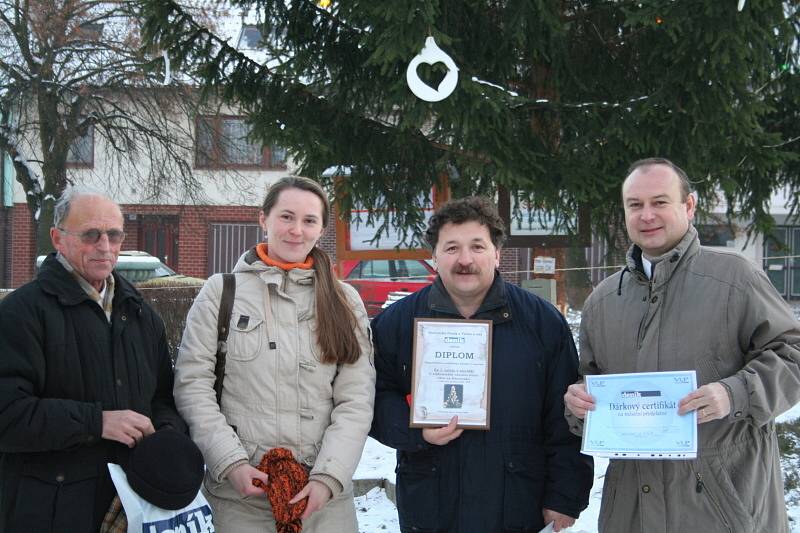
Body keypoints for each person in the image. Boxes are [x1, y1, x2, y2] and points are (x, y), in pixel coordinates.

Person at [564, 158, 800, 533]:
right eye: (635, 205)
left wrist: (733, 393)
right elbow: (591, 384)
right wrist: (579, 405)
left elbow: (792, 355)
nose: (647, 215)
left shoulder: (735, 280)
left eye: (660, 202)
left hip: (721, 507)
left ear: (688, 206)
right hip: (633, 511)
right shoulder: (603, 300)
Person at [370, 196, 594, 533]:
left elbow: (565, 419)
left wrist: (564, 497)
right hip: (431, 505)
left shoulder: (541, 323)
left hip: (517, 506)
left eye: (477, 246)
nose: (464, 260)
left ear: (497, 253)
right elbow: (371, 398)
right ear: (434, 256)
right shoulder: (396, 324)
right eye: (451, 248)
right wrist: (416, 430)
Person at [175, 176, 375, 533]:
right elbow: (193, 387)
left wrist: (329, 476)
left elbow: (356, 400)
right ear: (263, 219)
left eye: (309, 220)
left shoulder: (345, 302)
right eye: (286, 216)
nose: (296, 230)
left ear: (321, 228)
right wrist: (230, 462)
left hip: (323, 504)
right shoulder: (221, 293)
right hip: (240, 499)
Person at [0, 186, 186, 533]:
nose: (105, 246)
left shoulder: (142, 315)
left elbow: (163, 399)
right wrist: (95, 422)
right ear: (57, 238)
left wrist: (167, 436)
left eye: (114, 235)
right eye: (91, 235)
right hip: (49, 513)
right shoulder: (19, 314)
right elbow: (7, 416)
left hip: (131, 507)